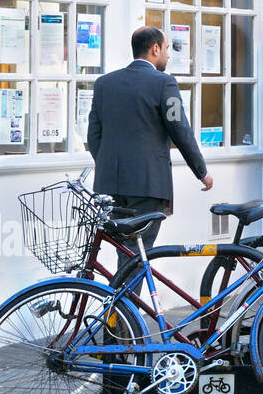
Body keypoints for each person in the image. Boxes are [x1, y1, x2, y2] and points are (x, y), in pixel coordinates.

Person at [86, 26, 212, 248]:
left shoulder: (104, 83)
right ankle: (123, 285)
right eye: (166, 48)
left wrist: (108, 165)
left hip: (111, 183)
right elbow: (180, 129)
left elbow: (94, 135)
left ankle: (118, 285)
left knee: (125, 250)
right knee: (138, 252)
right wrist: (201, 172)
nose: (168, 54)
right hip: (147, 183)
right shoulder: (164, 83)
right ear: (155, 49)